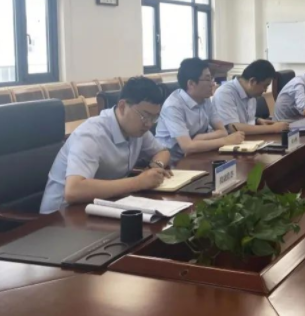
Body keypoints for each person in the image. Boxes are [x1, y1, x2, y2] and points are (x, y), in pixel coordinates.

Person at [40, 77, 172, 214]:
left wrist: (156, 166)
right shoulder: (91, 134)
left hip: (98, 204)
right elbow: (73, 190)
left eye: (154, 117)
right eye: (145, 116)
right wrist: (138, 182)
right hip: (60, 215)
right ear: (122, 107)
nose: (149, 124)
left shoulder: (137, 130)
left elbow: (163, 152)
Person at [156, 58, 244, 161]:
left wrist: (199, 138)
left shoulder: (205, 99)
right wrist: (226, 141)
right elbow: (187, 146)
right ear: (191, 84)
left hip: (198, 154)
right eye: (207, 79)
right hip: (173, 162)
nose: (212, 84)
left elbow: (222, 131)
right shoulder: (173, 106)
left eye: (212, 79)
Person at [212, 59, 289, 135]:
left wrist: (257, 120)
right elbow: (233, 128)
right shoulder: (225, 93)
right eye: (265, 86)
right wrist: (273, 128)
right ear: (252, 81)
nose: (265, 90)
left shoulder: (250, 92)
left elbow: (245, 119)